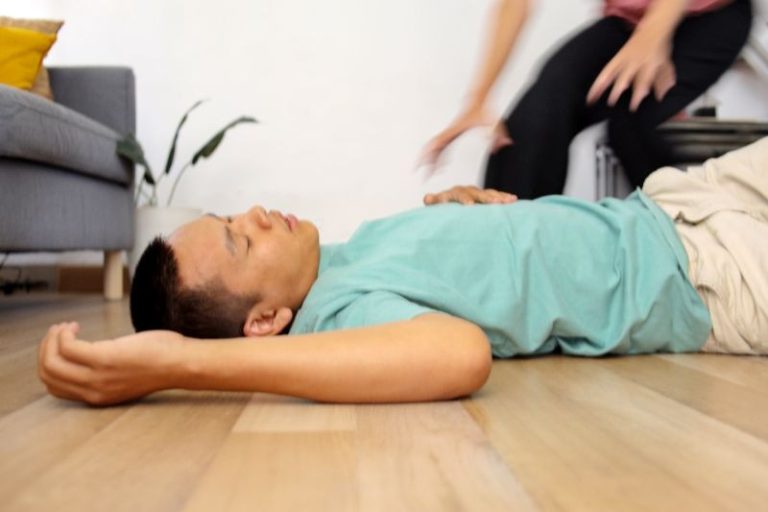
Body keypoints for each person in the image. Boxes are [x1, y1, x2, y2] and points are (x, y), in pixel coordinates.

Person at [38, 138, 768, 406]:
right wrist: (182, 364)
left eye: (235, 216)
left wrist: (463, 218)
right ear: (264, 322)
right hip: (707, 274)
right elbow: (459, 354)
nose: (258, 213)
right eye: (240, 242)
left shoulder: (351, 257)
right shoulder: (338, 317)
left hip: (673, 203)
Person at [420, 0, 753, 198]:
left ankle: (699, 247)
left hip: (711, 14)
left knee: (636, 122)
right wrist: (477, 100)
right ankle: (513, 259)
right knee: (530, 122)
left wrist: (655, 33)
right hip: (628, 21)